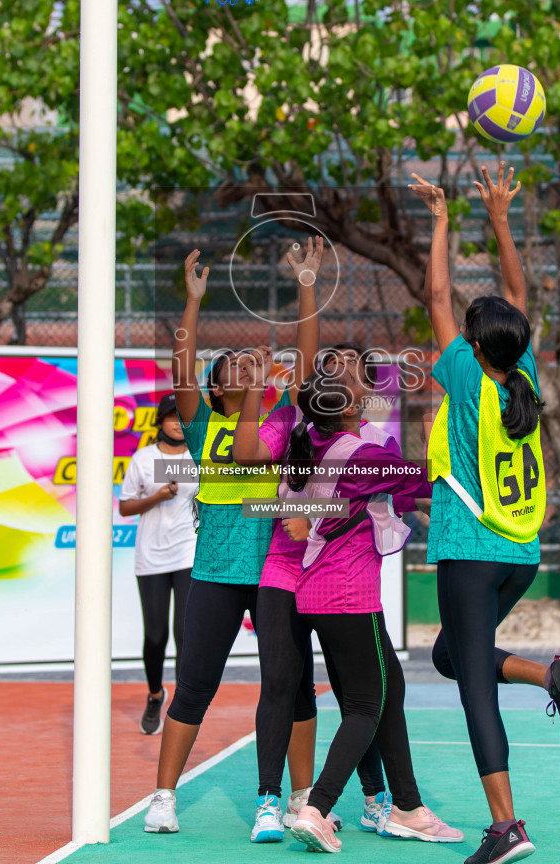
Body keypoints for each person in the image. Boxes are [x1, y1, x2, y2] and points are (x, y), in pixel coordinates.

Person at [407, 164, 560, 864]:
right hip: (520, 555)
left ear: (475, 348)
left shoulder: (464, 377)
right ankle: (550, 676)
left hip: (469, 546)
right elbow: (515, 294)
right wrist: (500, 217)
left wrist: (441, 219)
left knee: (473, 694)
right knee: (452, 657)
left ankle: (505, 826)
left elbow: (434, 292)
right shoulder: (523, 378)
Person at [143, 242, 324, 835]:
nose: (249, 368)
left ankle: (301, 797)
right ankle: (163, 797)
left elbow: (306, 354)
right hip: (216, 576)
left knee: (291, 687)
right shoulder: (201, 426)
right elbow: (182, 363)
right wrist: (193, 304)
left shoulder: (278, 420)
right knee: (195, 685)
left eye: (254, 363)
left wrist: (304, 283)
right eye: (235, 367)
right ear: (216, 389)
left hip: (276, 571)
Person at [275, 368, 462, 853]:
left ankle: (408, 807)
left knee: (389, 689)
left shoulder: (316, 440)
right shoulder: (361, 454)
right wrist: (439, 435)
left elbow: (401, 492)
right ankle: (316, 808)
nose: (365, 386)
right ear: (346, 409)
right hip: (346, 594)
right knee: (365, 706)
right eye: (357, 386)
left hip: (321, 590)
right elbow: (426, 480)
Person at [232, 343, 392, 841]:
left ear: (364, 389)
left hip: (342, 579)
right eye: (330, 366)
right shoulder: (291, 426)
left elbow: (378, 507)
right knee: (280, 684)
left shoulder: (375, 440)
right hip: (285, 572)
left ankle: (375, 799)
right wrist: (256, 390)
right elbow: (244, 461)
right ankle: (269, 801)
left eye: (351, 369)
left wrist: (321, 518)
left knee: (358, 694)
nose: (339, 373)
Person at [118, 393, 197, 735]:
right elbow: (124, 507)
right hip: (150, 555)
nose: (178, 424)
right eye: (171, 417)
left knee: (184, 633)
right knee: (155, 635)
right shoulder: (143, 458)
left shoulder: (198, 455)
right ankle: (155, 694)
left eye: (183, 418)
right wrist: (156, 497)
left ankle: (181, 707)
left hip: (187, 552)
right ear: (160, 421)